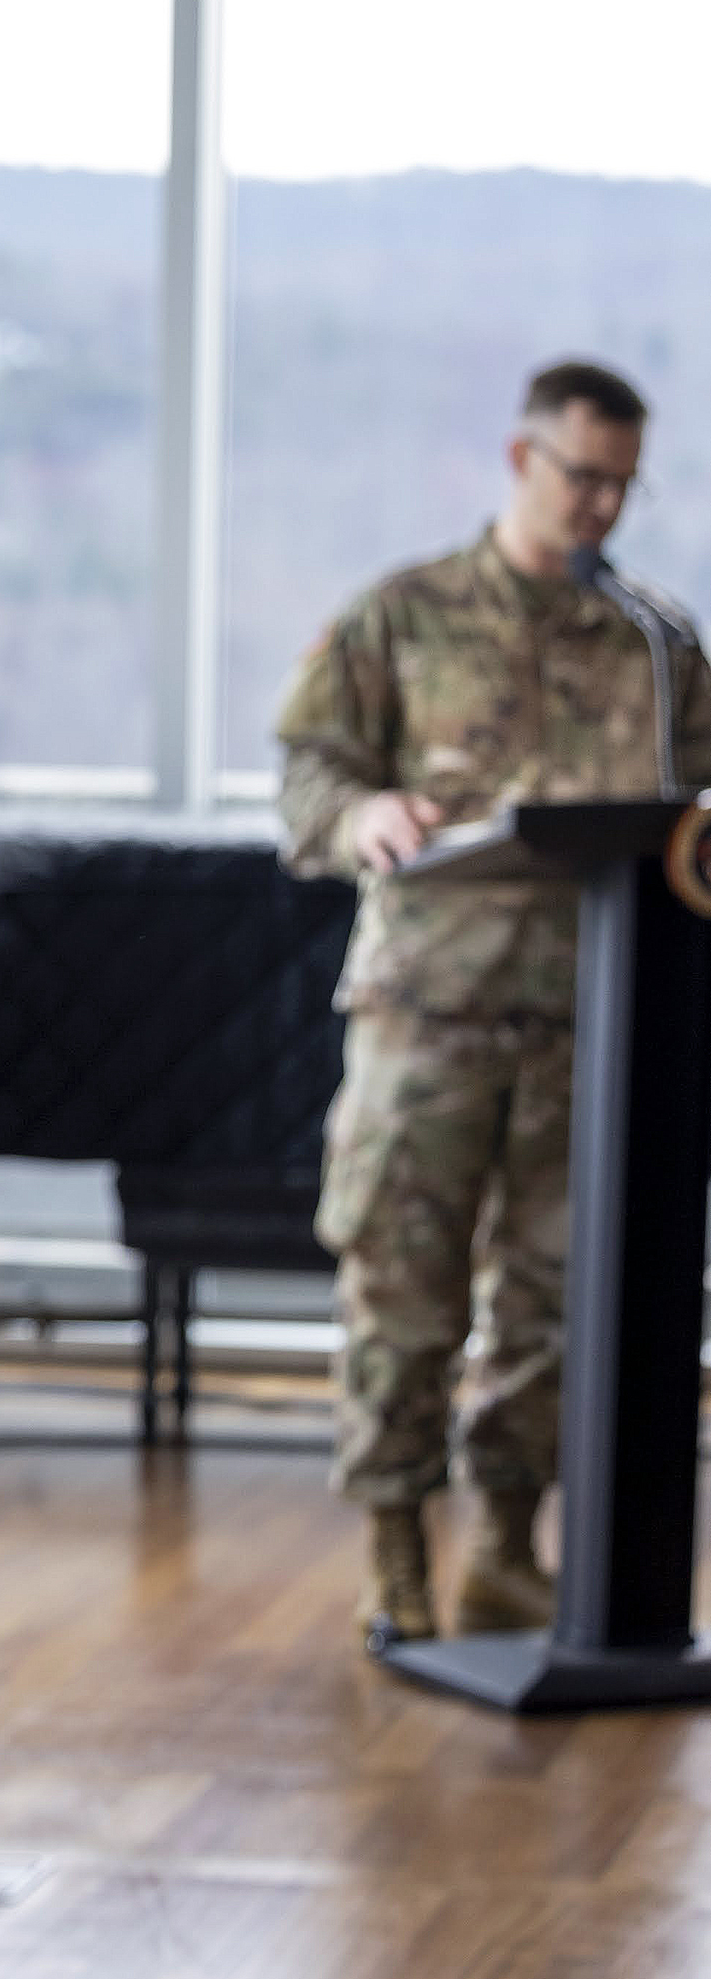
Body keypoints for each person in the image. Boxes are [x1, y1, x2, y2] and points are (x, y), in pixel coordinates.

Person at [275, 359, 711, 1649]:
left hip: (604, 1022)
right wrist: (367, 813)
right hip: (434, 1010)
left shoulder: (659, 642)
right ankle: (397, 1558)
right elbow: (309, 782)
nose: (602, 508)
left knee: (553, 1300)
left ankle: (512, 1553)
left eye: (623, 485)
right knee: (404, 1294)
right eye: (583, 477)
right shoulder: (403, 617)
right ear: (521, 461)